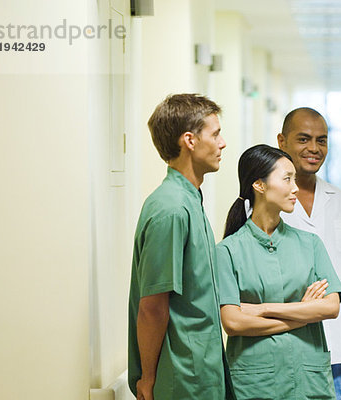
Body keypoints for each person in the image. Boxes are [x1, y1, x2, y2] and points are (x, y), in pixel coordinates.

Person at [215, 144, 341, 400]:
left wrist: (262, 309)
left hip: (309, 380)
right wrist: (303, 314)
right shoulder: (227, 251)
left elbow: (330, 308)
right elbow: (233, 322)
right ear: (259, 185)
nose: (295, 188)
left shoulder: (310, 244)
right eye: (287, 179)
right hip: (255, 383)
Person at [127, 94, 234, 400]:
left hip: (199, 371)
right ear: (190, 140)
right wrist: (148, 378)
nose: (222, 143)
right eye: (215, 134)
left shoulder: (190, 200)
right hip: (179, 378)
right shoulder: (171, 208)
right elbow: (152, 306)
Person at [277, 107, 341, 399]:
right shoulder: (264, 203)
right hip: (287, 351)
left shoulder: (340, 201)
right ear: (282, 141)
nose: (314, 148)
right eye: (304, 139)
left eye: (322, 140)